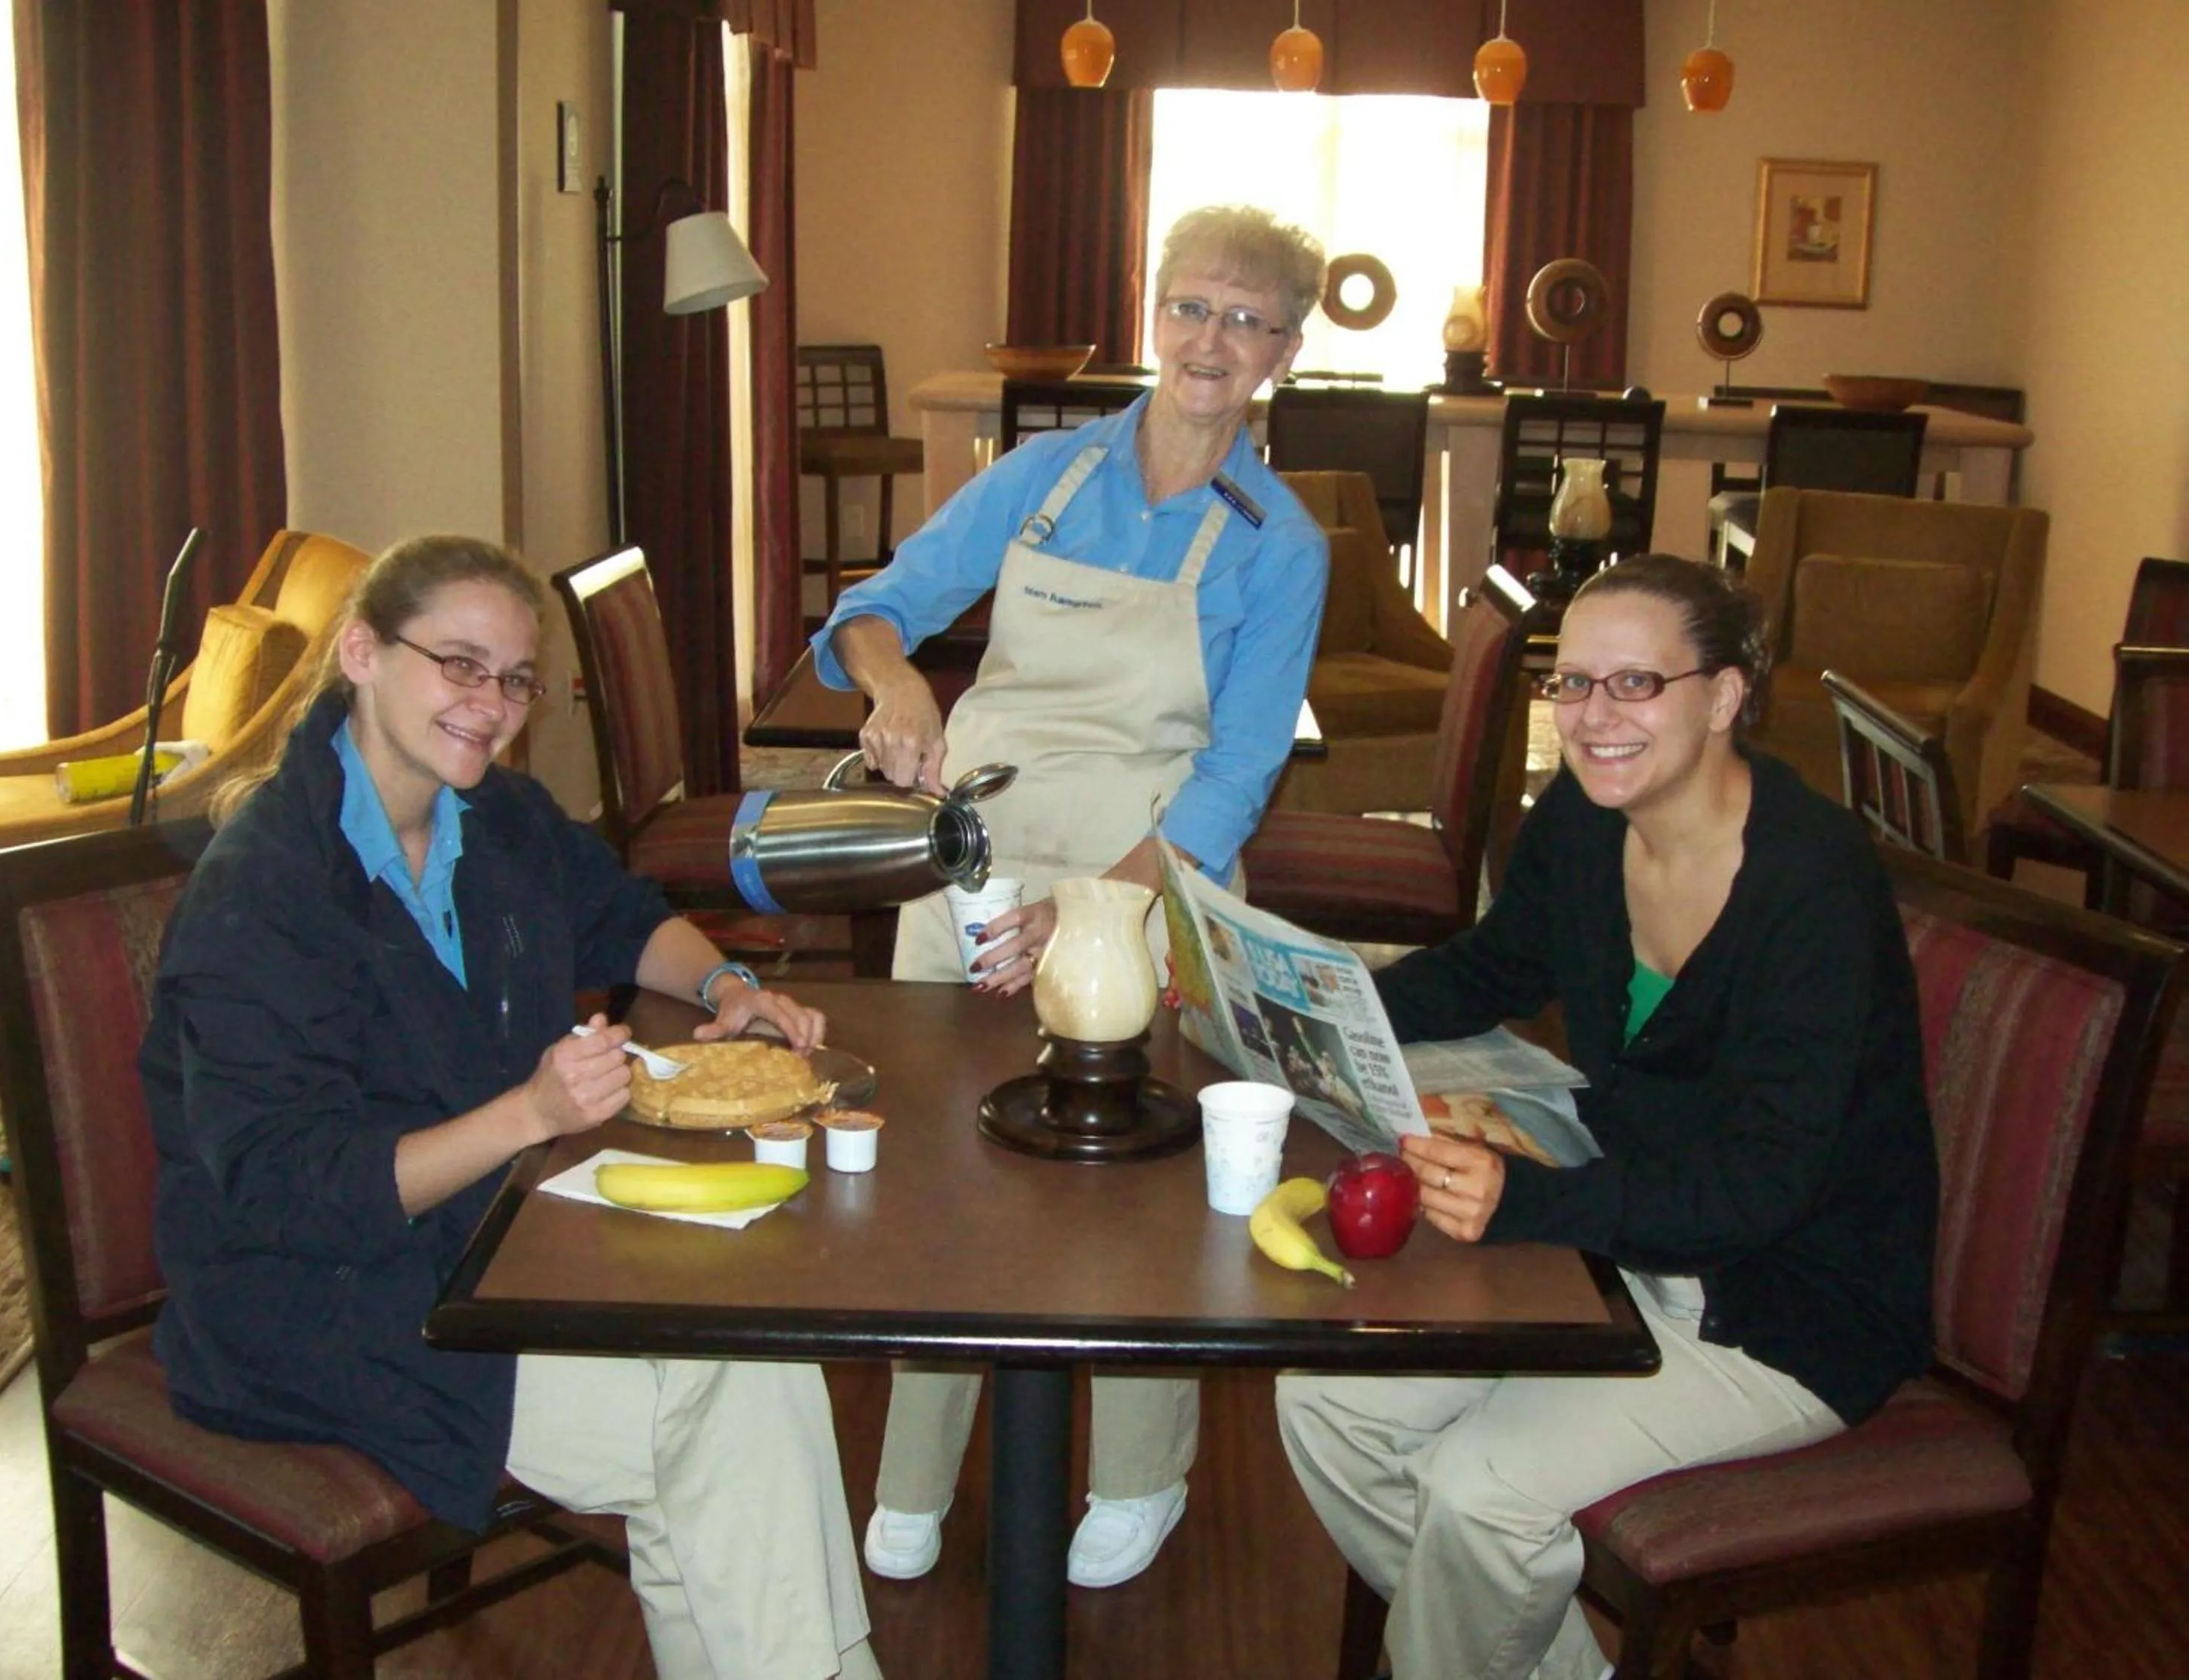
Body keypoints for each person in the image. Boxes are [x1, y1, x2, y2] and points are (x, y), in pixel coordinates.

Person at [143, 535, 880, 1680]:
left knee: (750, 1370)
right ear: (362, 654)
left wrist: (730, 987)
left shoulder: (496, 819)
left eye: (517, 679)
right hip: (316, 1301)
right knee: (723, 1421)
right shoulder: (269, 891)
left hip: (497, 1245)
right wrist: (529, 1114)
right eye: (460, 665)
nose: (491, 706)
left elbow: (619, 913)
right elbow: (293, 1189)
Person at [1276, 554, 1937, 1679]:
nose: (1592, 718)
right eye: (1571, 683)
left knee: (1478, 1493)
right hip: (1626, 1245)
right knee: (1327, 1403)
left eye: (1635, 685)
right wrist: (1315, 1007)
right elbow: (1490, 968)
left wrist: (1531, 1201)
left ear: (1726, 696)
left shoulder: (1812, 887)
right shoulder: (1585, 825)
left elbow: (1763, 1186)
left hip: (1781, 1303)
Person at [814, 205, 1330, 1589]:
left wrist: (1094, 912)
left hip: (1143, 874)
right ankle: (915, 1464)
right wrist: (901, 678)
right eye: (1191, 306)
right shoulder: (1042, 475)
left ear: (1284, 348)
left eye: (1246, 318)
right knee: (944, 1154)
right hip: (975, 854)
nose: (1211, 339)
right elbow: (868, 609)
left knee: (1125, 1182)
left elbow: (1235, 775)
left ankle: (1138, 1469)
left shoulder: (1281, 542)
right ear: (1153, 312)